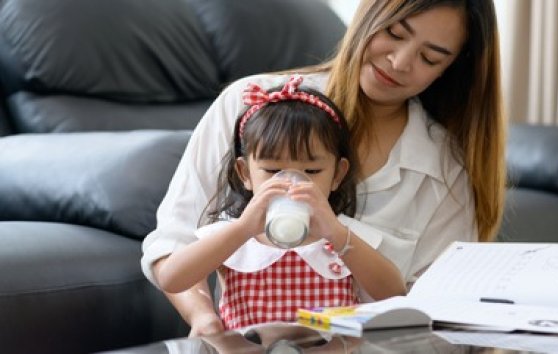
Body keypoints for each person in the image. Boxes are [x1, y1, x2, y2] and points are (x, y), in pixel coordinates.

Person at [142, 0, 505, 336]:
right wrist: (204, 319)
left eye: (430, 57)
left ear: (449, 70)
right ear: (368, 17)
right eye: (394, 33)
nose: (400, 61)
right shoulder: (251, 104)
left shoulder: (442, 167)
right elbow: (171, 245)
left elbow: (435, 304)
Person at [154, 76, 406, 329]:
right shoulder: (233, 235)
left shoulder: (344, 237)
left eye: (312, 171)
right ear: (245, 174)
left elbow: (394, 294)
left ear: (337, 175)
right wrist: (243, 229)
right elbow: (171, 279)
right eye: (273, 170)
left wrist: (336, 233)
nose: (292, 183)